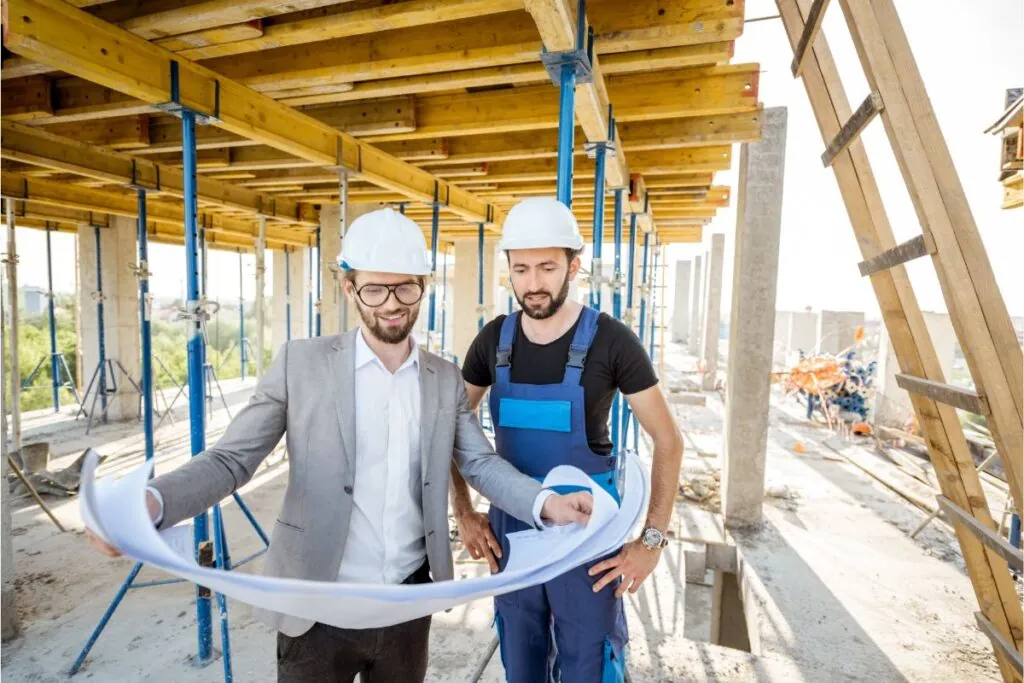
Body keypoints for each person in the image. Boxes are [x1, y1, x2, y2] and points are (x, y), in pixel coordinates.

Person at [86, 207, 593, 683]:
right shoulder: (300, 364)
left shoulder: (441, 379)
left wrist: (546, 503)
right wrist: (152, 502)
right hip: (316, 604)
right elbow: (231, 460)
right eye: (375, 290)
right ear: (350, 288)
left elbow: (480, 463)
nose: (392, 305)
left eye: (405, 289)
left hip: (405, 604)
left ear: (424, 288)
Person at [450, 197, 684, 683]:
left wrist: (653, 539)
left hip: (588, 533)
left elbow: (668, 439)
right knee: (522, 656)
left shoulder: (612, 341)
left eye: (547, 267)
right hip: (512, 529)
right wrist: (465, 512)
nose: (533, 283)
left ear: (573, 266)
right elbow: (450, 423)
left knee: (588, 662)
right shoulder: (493, 340)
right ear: (509, 271)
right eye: (521, 269)